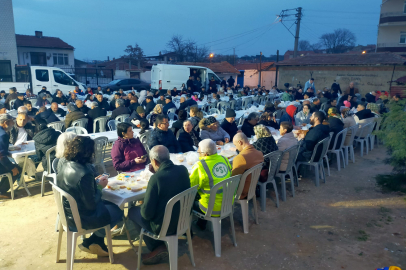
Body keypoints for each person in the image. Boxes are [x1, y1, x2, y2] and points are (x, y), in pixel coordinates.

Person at [57, 136, 123, 256]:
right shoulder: (84, 173)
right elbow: (91, 205)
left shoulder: (65, 165)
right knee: (117, 212)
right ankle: (94, 240)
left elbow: (79, 189)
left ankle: (95, 241)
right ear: (87, 153)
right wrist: (99, 187)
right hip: (80, 218)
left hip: (67, 214)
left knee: (109, 205)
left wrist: (93, 183)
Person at [128, 145, 190, 264]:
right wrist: (156, 172)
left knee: (132, 211)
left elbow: (146, 214)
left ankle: (157, 246)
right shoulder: (183, 170)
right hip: (183, 220)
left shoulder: (156, 179)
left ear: (154, 161)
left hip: (164, 227)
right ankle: (159, 247)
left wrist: (156, 175)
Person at [189, 139, 232, 229]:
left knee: (188, 201)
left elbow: (190, 188)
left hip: (211, 208)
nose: (197, 151)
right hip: (228, 203)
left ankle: (193, 228)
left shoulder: (200, 166)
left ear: (205, 154)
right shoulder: (224, 159)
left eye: (199, 150)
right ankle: (202, 224)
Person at [232, 133, 264, 199]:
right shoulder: (259, 153)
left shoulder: (240, 158)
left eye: (235, 145)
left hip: (242, 191)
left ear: (240, 142)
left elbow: (233, 179)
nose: (236, 148)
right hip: (253, 187)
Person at [0, 114, 21, 198]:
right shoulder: (3, 135)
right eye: (12, 122)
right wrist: (11, 167)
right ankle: (1, 191)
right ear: (6, 122)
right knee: (17, 169)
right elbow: (1, 156)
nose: (13, 123)